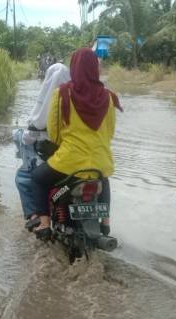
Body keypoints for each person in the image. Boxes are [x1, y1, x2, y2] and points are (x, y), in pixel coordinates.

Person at [30, 48, 122, 240]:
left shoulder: (63, 93)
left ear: (74, 67)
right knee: (103, 180)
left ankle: (44, 223)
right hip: (100, 162)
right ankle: (105, 223)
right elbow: (110, 132)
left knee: (37, 178)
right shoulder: (109, 96)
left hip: (68, 163)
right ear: (95, 68)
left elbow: (54, 132)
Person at [13, 63, 70, 230]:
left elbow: (36, 126)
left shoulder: (52, 98)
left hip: (56, 152)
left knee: (25, 177)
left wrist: (24, 137)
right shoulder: (88, 98)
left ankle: (37, 216)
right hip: (87, 156)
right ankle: (105, 221)